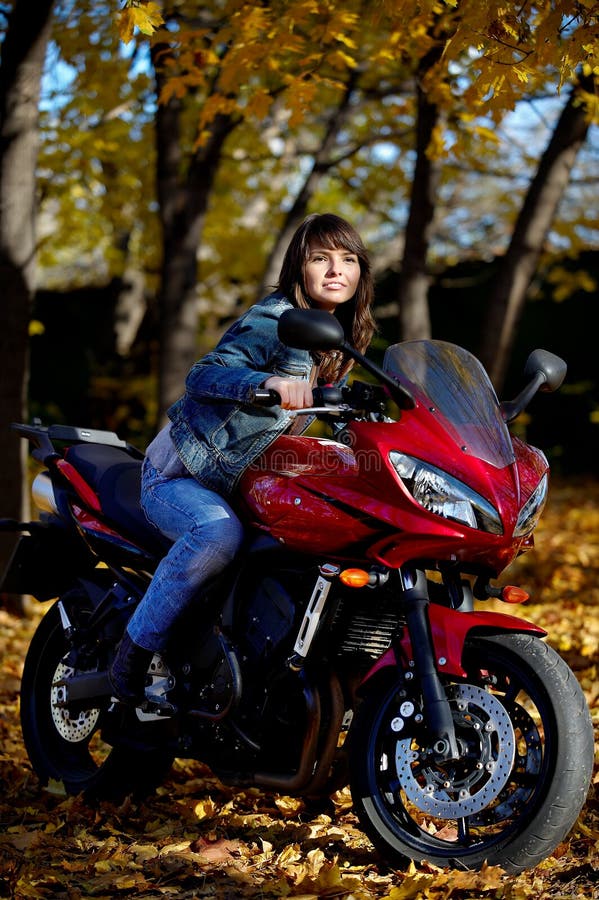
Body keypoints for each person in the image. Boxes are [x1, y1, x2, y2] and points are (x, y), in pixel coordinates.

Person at [109, 213, 377, 705]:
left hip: (242, 478)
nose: (336, 270)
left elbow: (345, 413)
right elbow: (205, 374)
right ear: (299, 268)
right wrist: (267, 384)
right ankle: (132, 654)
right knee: (217, 533)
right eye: (321, 258)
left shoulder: (340, 338)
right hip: (183, 472)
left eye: (348, 259)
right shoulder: (275, 320)